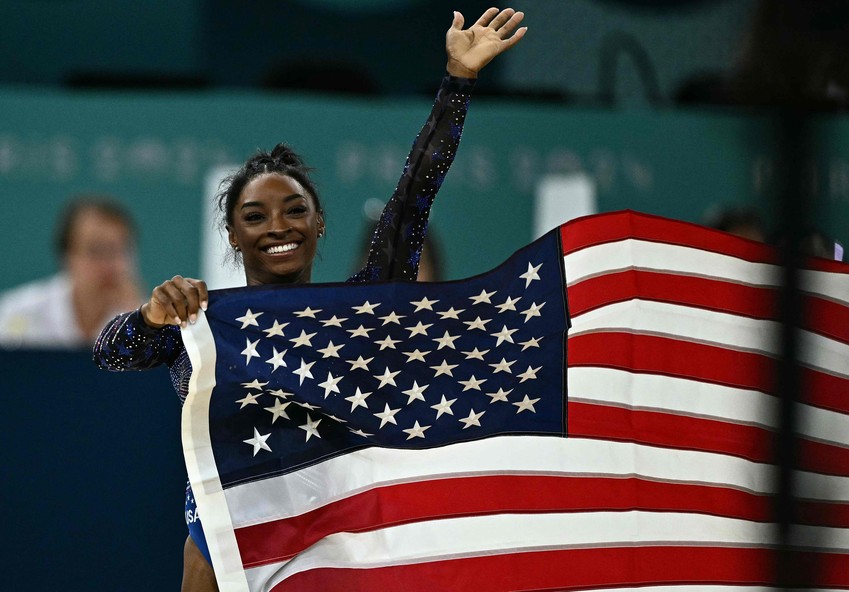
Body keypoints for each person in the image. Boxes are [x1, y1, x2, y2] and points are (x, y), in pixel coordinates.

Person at [93, 8, 527, 591]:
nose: (278, 226)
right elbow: (111, 352)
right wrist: (150, 315)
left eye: (295, 209)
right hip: (223, 562)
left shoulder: (354, 310)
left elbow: (413, 196)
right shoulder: (199, 321)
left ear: (320, 224)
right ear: (233, 235)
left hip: (333, 556)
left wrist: (457, 81)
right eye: (255, 216)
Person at [0, 196, 143, 349]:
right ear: (68, 256)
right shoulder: (18, 313)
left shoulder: (144, 320)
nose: (109, 265)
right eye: (96, 250)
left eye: (117, 251)